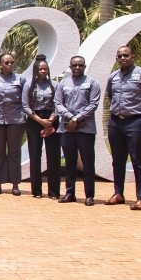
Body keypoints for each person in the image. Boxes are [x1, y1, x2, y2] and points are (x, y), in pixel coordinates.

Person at [105, 46, 141, 210]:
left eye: (126, 55)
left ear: (133, 57)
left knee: (138, 160)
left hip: (136, 122)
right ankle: (118, 194)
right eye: (120, 56)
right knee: (117, 160)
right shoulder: (113, 77)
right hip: (116, 122)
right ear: (116, 59)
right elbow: (110, 95)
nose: (123, 58)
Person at [55, 55, 102, 205]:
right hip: (67, 129)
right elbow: (58, 104)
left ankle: (89, 195)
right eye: (74, 65)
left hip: (85, 129)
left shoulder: (92, 83)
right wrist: (71, 118)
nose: (77, 67)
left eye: (80, 65)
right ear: (70, 67)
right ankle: (70, 194)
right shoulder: (63, 84)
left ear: (84, 67)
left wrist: (77, 119)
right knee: (69, 162)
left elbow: (93, 104)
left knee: (88, 163)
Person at [0, 53, 25, 196]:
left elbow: (25, 99)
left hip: (16, 119)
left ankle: (15, 183)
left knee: (15, 152)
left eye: (11, 62)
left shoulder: (20, 79)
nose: (10, 65)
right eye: (6, 62)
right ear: (0, 65)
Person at [23, 55, 61, 199]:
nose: (43, 71)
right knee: (35, 155)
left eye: (45, 69)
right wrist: (40, 121)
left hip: (52, 119)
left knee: (53, 156)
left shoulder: (55, 85)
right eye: (40, 69)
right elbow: (25, 106)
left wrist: (50, 121)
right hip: (35, 120)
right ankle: (37, 191)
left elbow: (58, 104)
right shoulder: (29, 85)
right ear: (35, 70)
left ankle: (54, 192)